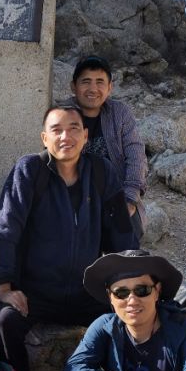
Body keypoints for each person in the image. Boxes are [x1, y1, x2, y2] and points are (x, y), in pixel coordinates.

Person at [0, 104, 138, 371]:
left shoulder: (100, 171)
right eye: (56, 130)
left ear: (85, 136)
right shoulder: (30, 170)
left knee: (133, 317)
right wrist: (5, 287)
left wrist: (129, 284)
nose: (65, 137)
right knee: (3, 321)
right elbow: (6, 229)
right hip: (38, 293)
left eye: (73, 129)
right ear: (44, 138)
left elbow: (121, 233)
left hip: (88, 292)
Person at [69, 55, 148, 237]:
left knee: (126, 240)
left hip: (115, 196)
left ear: (110, 87)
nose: (93, 89)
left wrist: (128, 200)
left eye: (100, 82)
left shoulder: (120, 113)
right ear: (73, 86)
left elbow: (136, 156)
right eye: (86, 82)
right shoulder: (63, 113)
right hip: (74, 199)